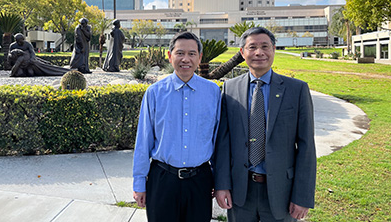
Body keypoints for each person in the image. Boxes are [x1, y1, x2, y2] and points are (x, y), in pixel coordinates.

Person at [214, 27, 316, 222]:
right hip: (240, 191)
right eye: (252, 47)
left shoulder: (297, 89)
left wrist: (302, 196)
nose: (259, 52)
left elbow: (306, 147)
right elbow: (223, 142)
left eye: (264, 46)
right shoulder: (230, 88)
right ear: (242, 53)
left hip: (281, 192)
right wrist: (222, 185)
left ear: (274, 49)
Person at [132, 31, 221, 222]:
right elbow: (143, 141)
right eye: (180, 53)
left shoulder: (213, 92)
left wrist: (219, 180)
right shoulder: (154, 93)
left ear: (200, 57)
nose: (186, 59)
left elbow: (217, 140)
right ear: (170, 56)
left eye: (192, 53)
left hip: (200, 180)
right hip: (163, 179)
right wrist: (139, 182)